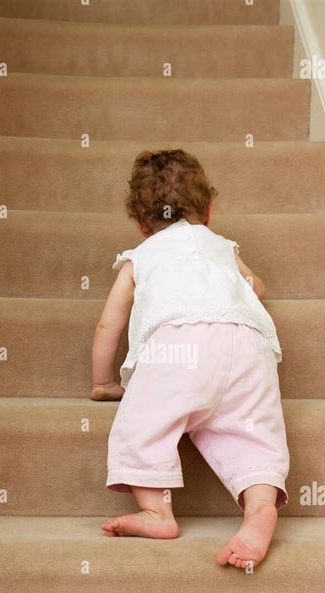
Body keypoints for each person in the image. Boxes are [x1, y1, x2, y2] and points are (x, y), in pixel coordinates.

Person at [91, 149, 290, 570]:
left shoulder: (139, 258)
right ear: (210, 210)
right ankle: (259, 507)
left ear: (140, 224)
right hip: (249, 347)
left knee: (144, 424)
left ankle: (156, 511)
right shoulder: (221, 247)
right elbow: (257, 287)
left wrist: (104, 382)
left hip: (177, 349)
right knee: (253, 433)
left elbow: (108, 327)